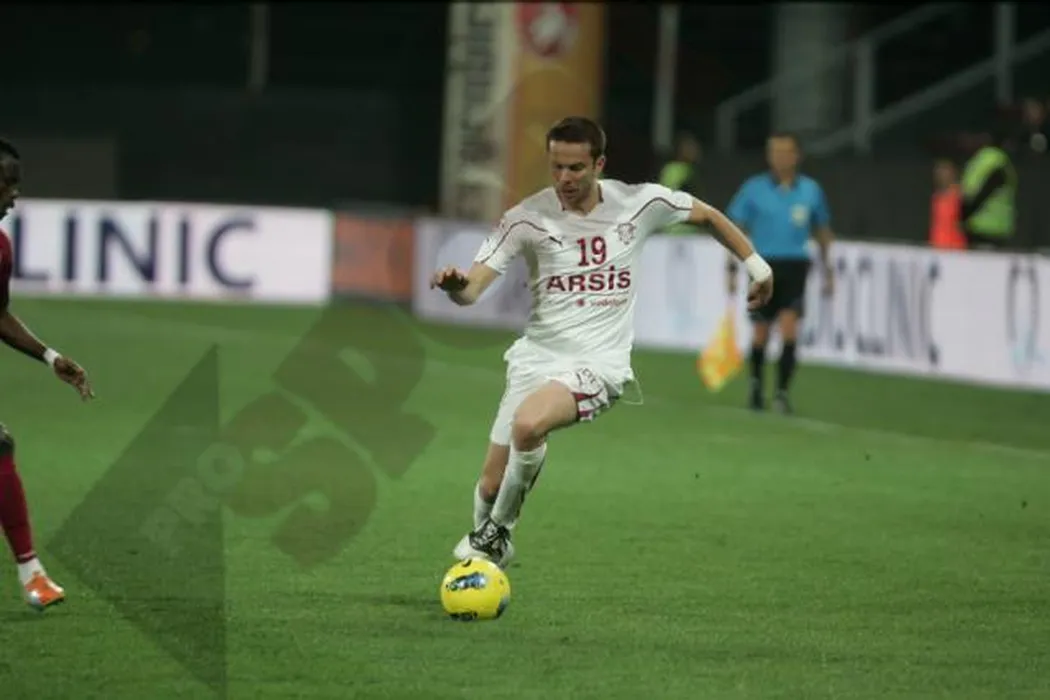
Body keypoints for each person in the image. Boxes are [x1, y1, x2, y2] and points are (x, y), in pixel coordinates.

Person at [430, 117, 774, 568]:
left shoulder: (639, 202)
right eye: (556, 167)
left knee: (528, 425)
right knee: (491, 485)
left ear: (599, 164)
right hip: (536, 358)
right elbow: (472, 290)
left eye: (575, 168)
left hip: (598, 363)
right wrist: (456, 285)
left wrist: (758, 267)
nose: (564, 178)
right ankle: (486, 556)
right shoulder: (525, 219)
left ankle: (497, 533)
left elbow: (708, 215)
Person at [0, 138, 95, 611]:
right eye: (7, 183)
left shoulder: (0, 248)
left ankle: (32, 574)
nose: (15, 194)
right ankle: (31, 574)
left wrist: (49, 356)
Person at [725, 132, 834, 414]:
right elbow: (734, 229)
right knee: (761, 332)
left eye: (785, 152)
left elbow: (822, 230)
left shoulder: (810, 190)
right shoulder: (754, 189)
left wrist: (828, 269)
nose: (779, 158)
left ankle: (782, 393)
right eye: (774, 152)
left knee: (789, 328)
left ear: (796, 156)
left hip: (795, 266)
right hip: (762, 266)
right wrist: (731, 268)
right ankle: (756, 387)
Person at [960, 125, 1017, 250]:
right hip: (990, 228)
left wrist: (964, 215)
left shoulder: (986, 160)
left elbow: (986, 189)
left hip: (983, 228)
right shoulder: (993, 160)